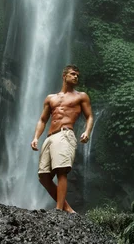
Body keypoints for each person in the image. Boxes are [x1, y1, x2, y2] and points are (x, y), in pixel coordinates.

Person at [30, 64, 93, 213]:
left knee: (61, 171)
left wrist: (87, 132)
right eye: (73, 74)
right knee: (44, 176)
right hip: (50, 137)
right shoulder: (50, 98)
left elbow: (89, 116)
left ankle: (59, 210)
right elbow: (43, 120)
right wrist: (35, 137)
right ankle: (68, 209)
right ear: (64, 76)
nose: (76, 77)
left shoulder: (81, 96)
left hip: (65, 134)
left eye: (77, 75)